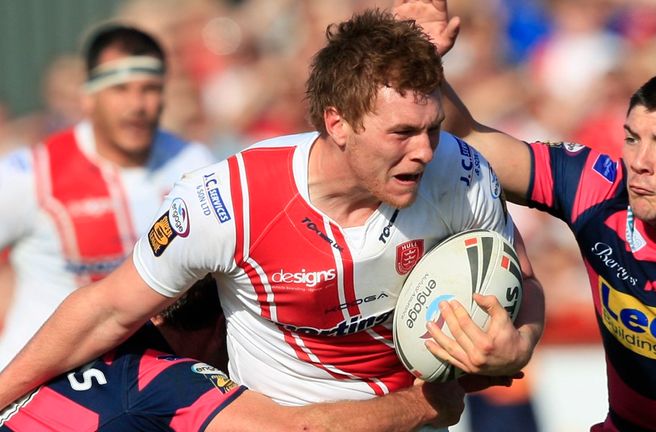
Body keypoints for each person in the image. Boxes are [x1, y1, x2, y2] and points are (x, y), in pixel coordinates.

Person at [0, 7, 545, 423]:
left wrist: (518, 341)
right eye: (401, 133)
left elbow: (522, 279)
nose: (425, 150)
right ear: (338, 124)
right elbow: (105, 310)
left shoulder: (459, 172)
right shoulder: (227, 199)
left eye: (431, 128)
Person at [398, 1, 656, 430]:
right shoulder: (599, 188)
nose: (639, 162)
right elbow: (468, 140)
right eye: (632, 138)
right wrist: (419, 56)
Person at [0, 275, 474, 431]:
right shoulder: (166, 380)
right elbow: (299, 430)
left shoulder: (102, 336)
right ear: (230, 323)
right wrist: (426, 403)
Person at [0, 24, 216, 367]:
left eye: (149, 89)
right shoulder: (29, 174)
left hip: (149, 387)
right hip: (39, 391)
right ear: (88, 97)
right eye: (120, 89)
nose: (136, 104)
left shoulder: (196, 165)